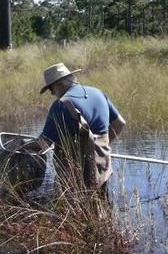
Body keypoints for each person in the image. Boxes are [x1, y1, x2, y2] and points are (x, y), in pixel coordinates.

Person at [37, 62, 126, 192]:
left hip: (77, 175)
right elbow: (119, 123)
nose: (52, 93)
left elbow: (43, 144)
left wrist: (24, 146)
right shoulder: (98, 93)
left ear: (59, 84)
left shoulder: (60, 105)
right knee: (101, 207)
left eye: (51, 89)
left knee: (74, 209)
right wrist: (100, 147)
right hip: (103, 169)